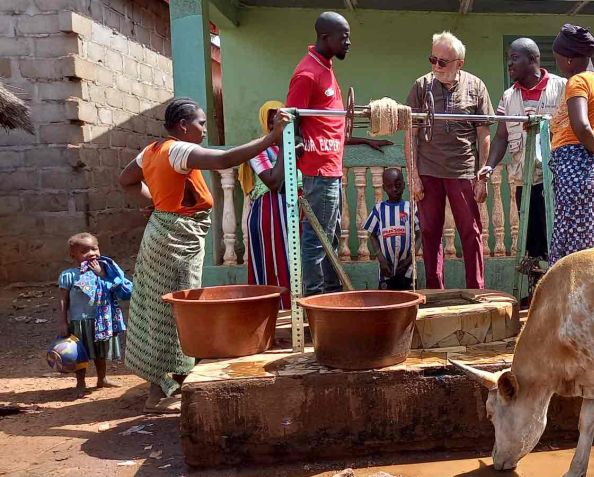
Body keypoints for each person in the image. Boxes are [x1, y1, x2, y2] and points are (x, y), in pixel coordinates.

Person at [118, 97, 290, 413]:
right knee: (180, 308)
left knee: (161, 306)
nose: (203, 130)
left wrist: (156, 204)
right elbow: (225, 159)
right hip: (176, 241)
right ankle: (161, 390)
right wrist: (271, 138)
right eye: (200, 123)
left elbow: (126, 180)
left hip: (162, 234)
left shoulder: (153, 151)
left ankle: (170, 380)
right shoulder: (179, 150)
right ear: (183, 126)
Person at [286, 11, 391, 296]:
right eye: (343, 37)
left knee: (330, 236)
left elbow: (331, 124)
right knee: (316, 239)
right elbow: (290, 121)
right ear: (325, 37)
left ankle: (332, 294)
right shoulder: (308, 74)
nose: (348, 42)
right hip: (319, 171)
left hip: (330, 168)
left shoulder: (326, 68)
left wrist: (365, 141)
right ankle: (316, 299)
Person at [405, 31, 493, 289]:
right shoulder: (422, 86)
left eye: (442, 62)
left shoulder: (476, 87)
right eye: (432, 59)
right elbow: (410, 134)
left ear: (459, 63)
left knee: (471, 231)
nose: (436, 66)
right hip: (429, 170)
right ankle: (434, 291)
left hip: (464, 170)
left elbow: (484, 134)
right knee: (431, 233)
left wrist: (482, 177)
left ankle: (476, 290)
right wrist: (413, 176)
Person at [478, 37, 566, 266]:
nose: (510, 63)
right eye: (509, 58)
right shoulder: (509, 97)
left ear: (534, 59)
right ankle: (535, 293)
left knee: (556, 241)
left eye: (515, 58)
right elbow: (501, 137)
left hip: (556, 180)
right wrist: (489, 165)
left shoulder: (561, 88)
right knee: (531, 245)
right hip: (524, 183)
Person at [547, 24, 594, 265]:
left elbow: (581, 126)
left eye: (557, 58)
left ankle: (571, 303)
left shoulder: (577, 82)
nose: (557, 63)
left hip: (576, 173)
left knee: (572, 257)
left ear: (569, 59)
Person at [57, 233, 132, 396]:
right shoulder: (68, 275)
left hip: (102, 320)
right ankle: (81, 382)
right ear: (73, 255)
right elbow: (63, 301)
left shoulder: (105, 270)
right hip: (80, 322)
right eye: (84, 251)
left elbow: (118, 287)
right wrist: (63, 322)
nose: (91, 253)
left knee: (101, 352)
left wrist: (102, 274)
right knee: (80, 354)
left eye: (94, 248)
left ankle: (102, 379)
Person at [245, 100, 298, 308]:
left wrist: (366, 141)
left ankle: (297, 313)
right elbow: (273, 182)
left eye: (281, 120)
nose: (277, 126)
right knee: (272, 265)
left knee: (297, 266)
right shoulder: (259, 149)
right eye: (272, 121)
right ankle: (272, 316)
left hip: (295, 211)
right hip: (271, 213)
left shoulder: (296, 144)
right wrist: (285, 144)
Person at [363, 168, 421, 291]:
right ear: (384, 188)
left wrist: (409, 260)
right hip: (387, 269)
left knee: (409, 299)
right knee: (386, 300)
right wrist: (381, 258)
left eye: (398, 185)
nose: (394, 189)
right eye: (389, 186)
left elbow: (420, 235)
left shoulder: (411, 208)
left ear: (404, 185)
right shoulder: (379, 210)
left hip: (408, 269)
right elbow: (372, 235)